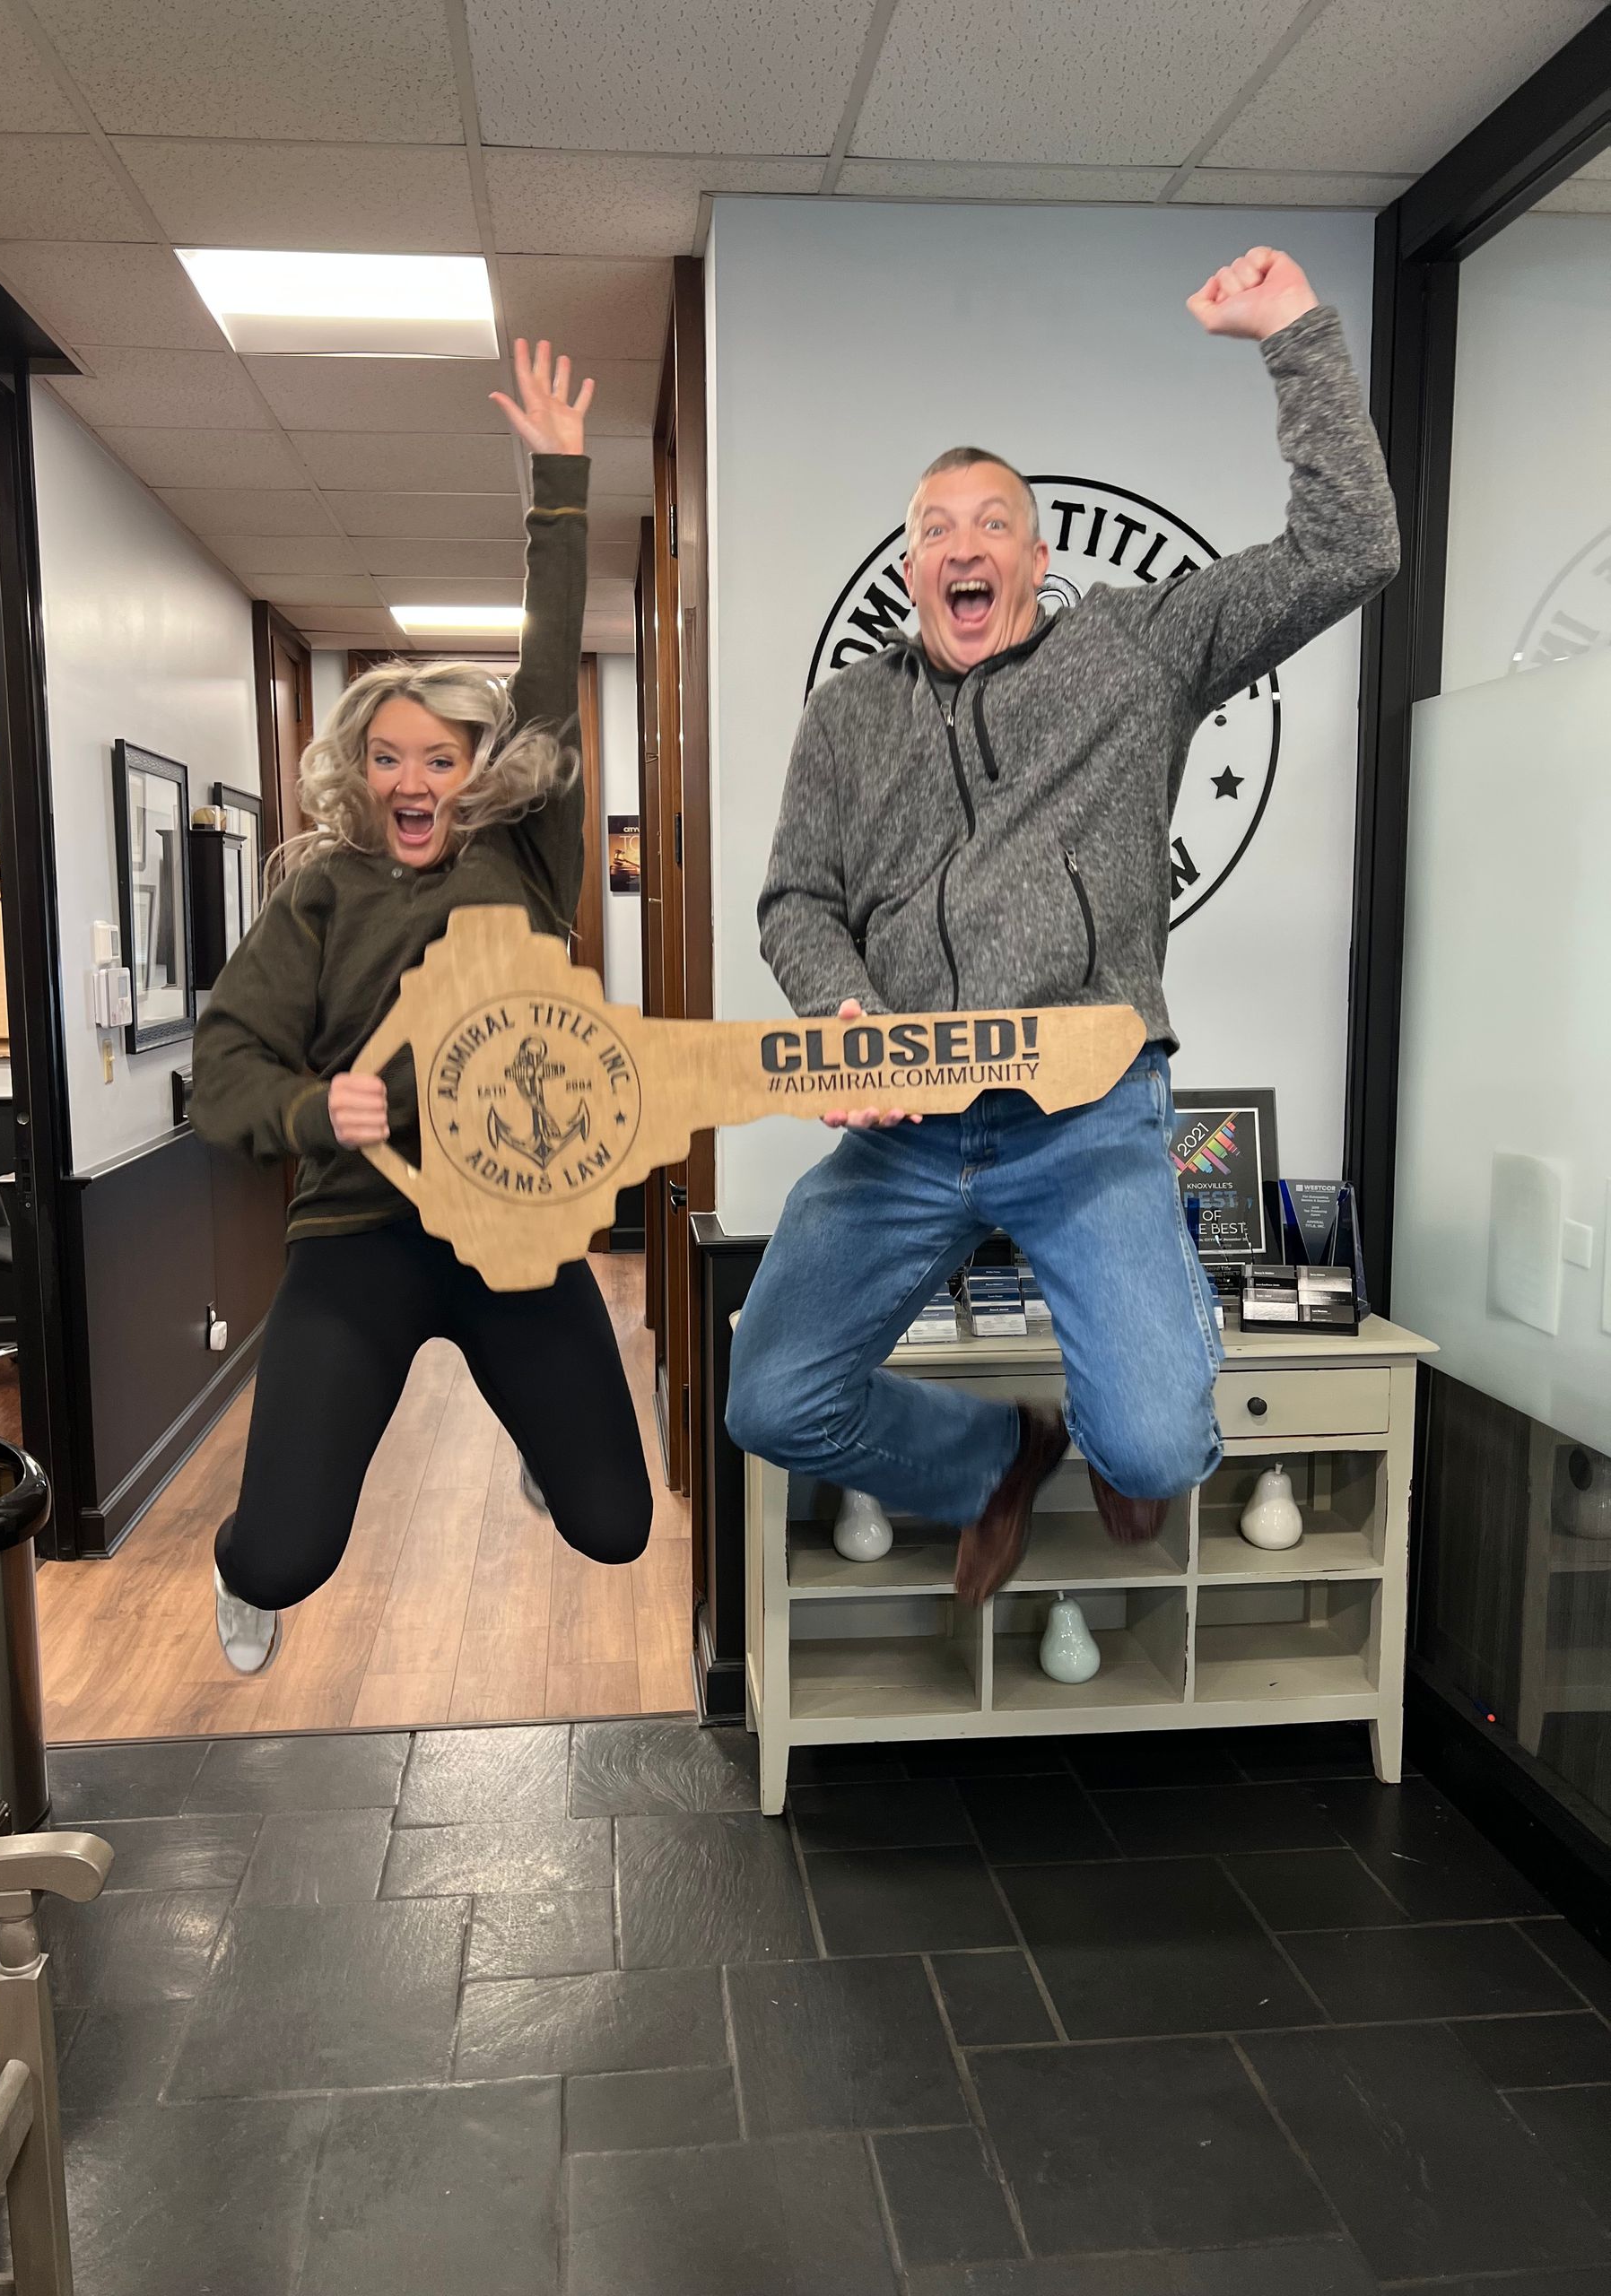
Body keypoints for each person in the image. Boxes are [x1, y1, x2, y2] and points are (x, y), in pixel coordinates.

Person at [727, 248, 1400, 1605]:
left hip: (1087, 1115)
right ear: (911, 567)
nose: (962, 546)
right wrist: (844, 1015)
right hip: (907, 1122)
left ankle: (1127, 1437)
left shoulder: (1135, 648)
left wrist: (1295, 334)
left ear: (1038, 557)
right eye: (935, 529)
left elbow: (1352, 548)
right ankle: (996, 1462)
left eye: (992, 523)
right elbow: (796, 900)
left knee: (1156, 1444)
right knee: (773, 1397)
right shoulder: (848, 715)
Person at [192, 339, 652, 1674]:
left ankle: (546, 1449)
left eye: (438, 759)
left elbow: (550, 677)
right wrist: (307, 1107)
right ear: (359, 769)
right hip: (359, 1235)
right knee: (286, 1554)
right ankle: (240, 1568)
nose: (411, 780)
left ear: (474, 769)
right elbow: (224, 1066)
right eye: (386, 757)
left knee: (615, 1527)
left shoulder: (526, 856)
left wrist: (559, 486)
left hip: (513, 1229)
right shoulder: (320, 891)